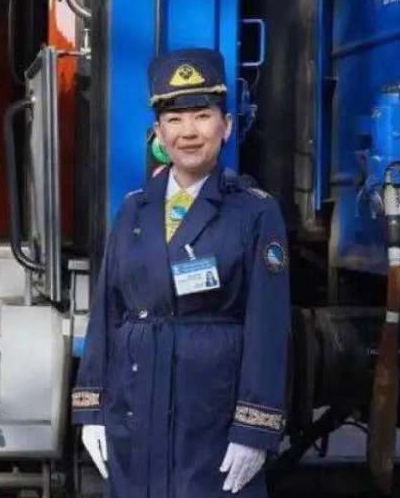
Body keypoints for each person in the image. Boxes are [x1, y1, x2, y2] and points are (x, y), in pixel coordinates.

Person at [71, 48, 291, 496]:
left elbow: (268, 328)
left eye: (201, 115)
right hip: (137, 408)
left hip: (210, 414)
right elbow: (107, 315)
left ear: (226, 126)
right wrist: (91, 408)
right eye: (174, 119)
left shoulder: (254, 213)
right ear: (158, 133)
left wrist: (254, 428)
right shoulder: (134, 209)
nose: (188, 132)